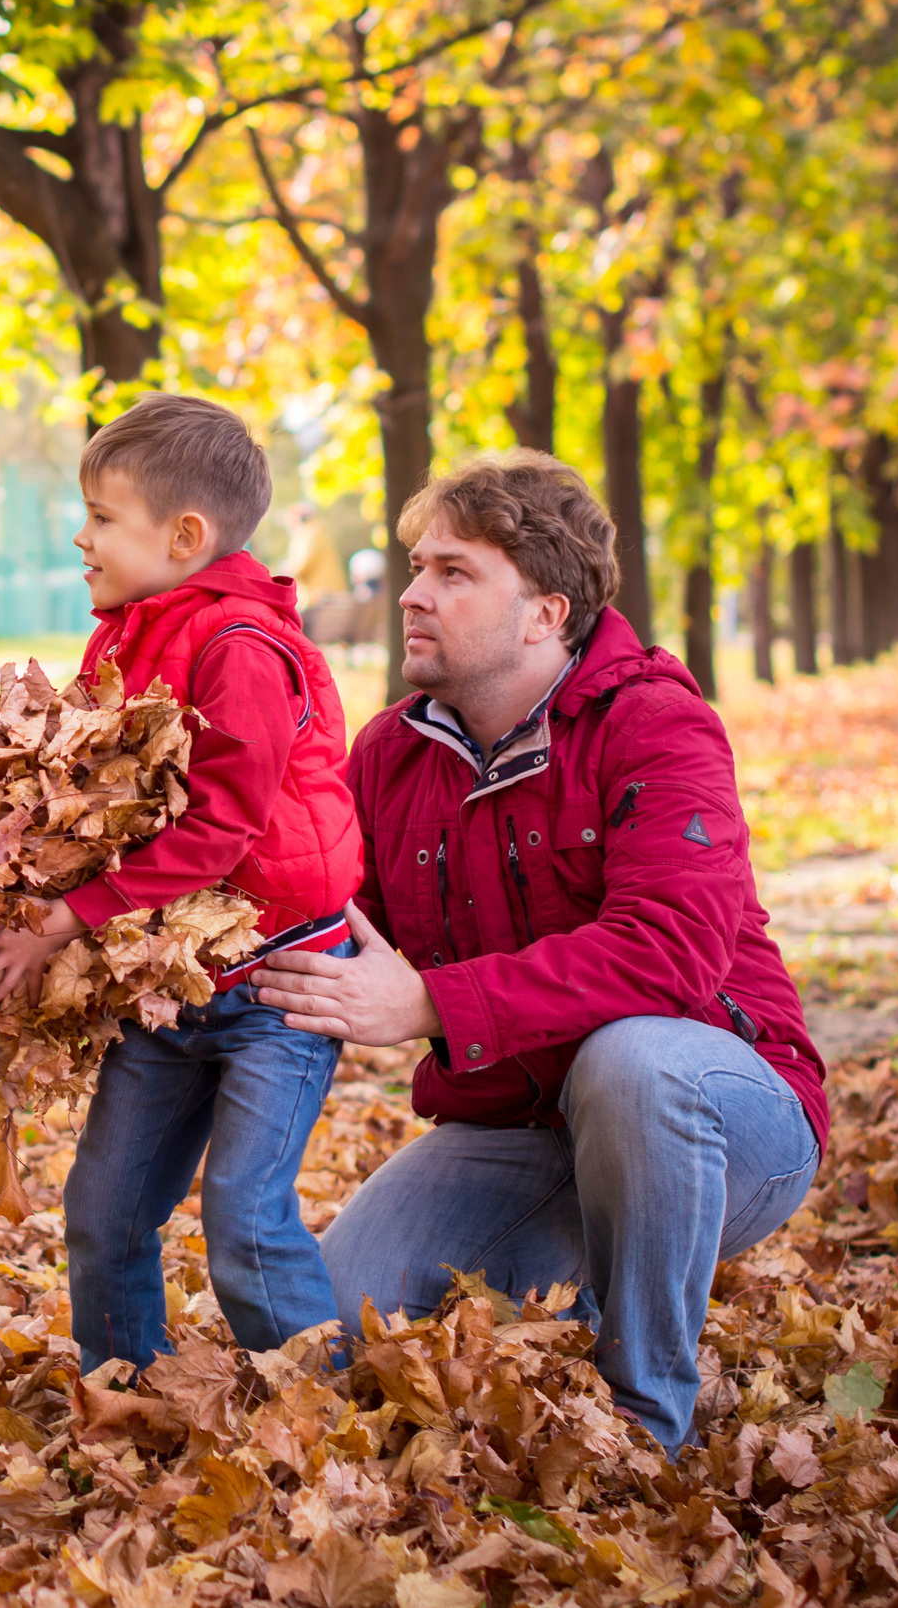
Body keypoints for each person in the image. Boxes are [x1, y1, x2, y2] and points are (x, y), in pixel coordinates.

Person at [248, 449, 825, 1452]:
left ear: (544, 614)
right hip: (521, 1131)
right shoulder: (390, 754)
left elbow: (668, 954)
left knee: (633, 1061)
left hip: (725, 1117)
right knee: (335, 1332)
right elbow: (327, 925)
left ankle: (644, 1429)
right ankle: (570, 1299)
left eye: (454, 573)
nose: (413, 595)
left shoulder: (654, 724)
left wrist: (429, 1004)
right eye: (417, 568)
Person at [0, 394, 364, 1372]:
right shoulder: (125, 634)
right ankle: (123, 1387)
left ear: (184, 536)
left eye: (102, 516)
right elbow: (96, 789)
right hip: (170, 980)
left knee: (244, 1216)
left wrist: (67, 918)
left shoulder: (241, 648)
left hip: (279, 986)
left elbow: (221, 830)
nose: (81, 535)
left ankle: (323, 1416)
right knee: (104, 1208)